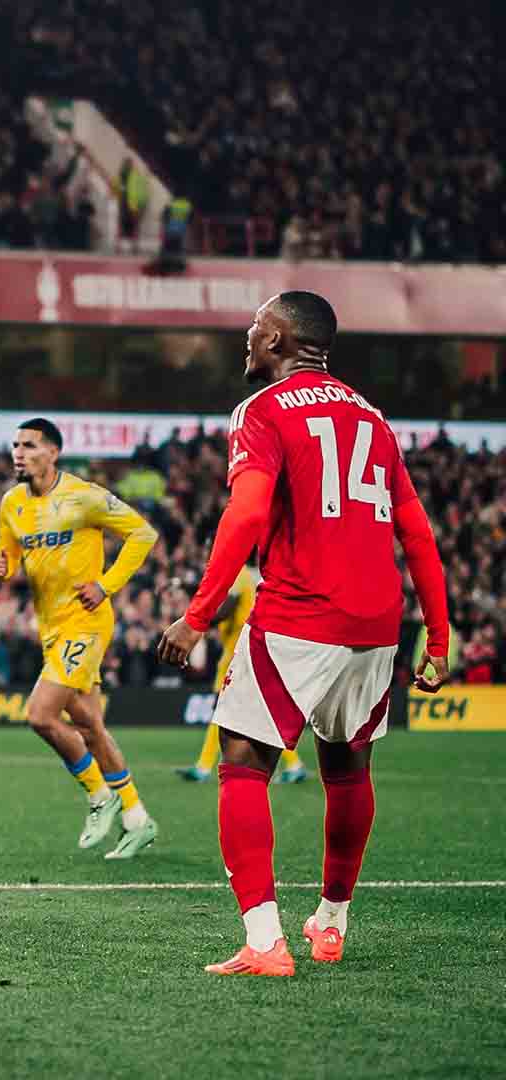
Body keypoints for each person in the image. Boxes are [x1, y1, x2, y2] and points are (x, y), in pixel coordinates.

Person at [159, 291, 450, 976]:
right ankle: (331, 920)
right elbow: (417, 534)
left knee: (241, 761)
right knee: (348, 771)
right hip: (377, 623)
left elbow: (246, 515)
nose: (248, 340)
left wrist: (198, 615)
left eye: (258, 329)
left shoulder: (259, 411)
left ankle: (265, 942)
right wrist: (437, 640)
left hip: (299, 613)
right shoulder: (373, 418)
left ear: (285, 339)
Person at [0, 419, 161, 859]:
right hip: (50, 627)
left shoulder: (84, 496)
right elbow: (8, 551)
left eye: (28, 445)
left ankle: (99, 795)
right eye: (15, 445)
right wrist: (2, 565)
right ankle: (138, 819)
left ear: (53, 453)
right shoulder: (12, 503)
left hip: (86, 622)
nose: (18, 453)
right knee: (89, 726)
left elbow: (143, 533)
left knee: (40, 715)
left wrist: (106, 584)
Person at [176, 564, 310, 783]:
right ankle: (294, 764)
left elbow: (228, 606)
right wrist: (183, 585)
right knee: (249, 709)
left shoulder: (237, 573)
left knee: (229, 707)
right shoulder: (235, 575)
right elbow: (209, 593)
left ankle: (203, 767)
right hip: (238, 648)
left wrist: (197, 622)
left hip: (240, 650)